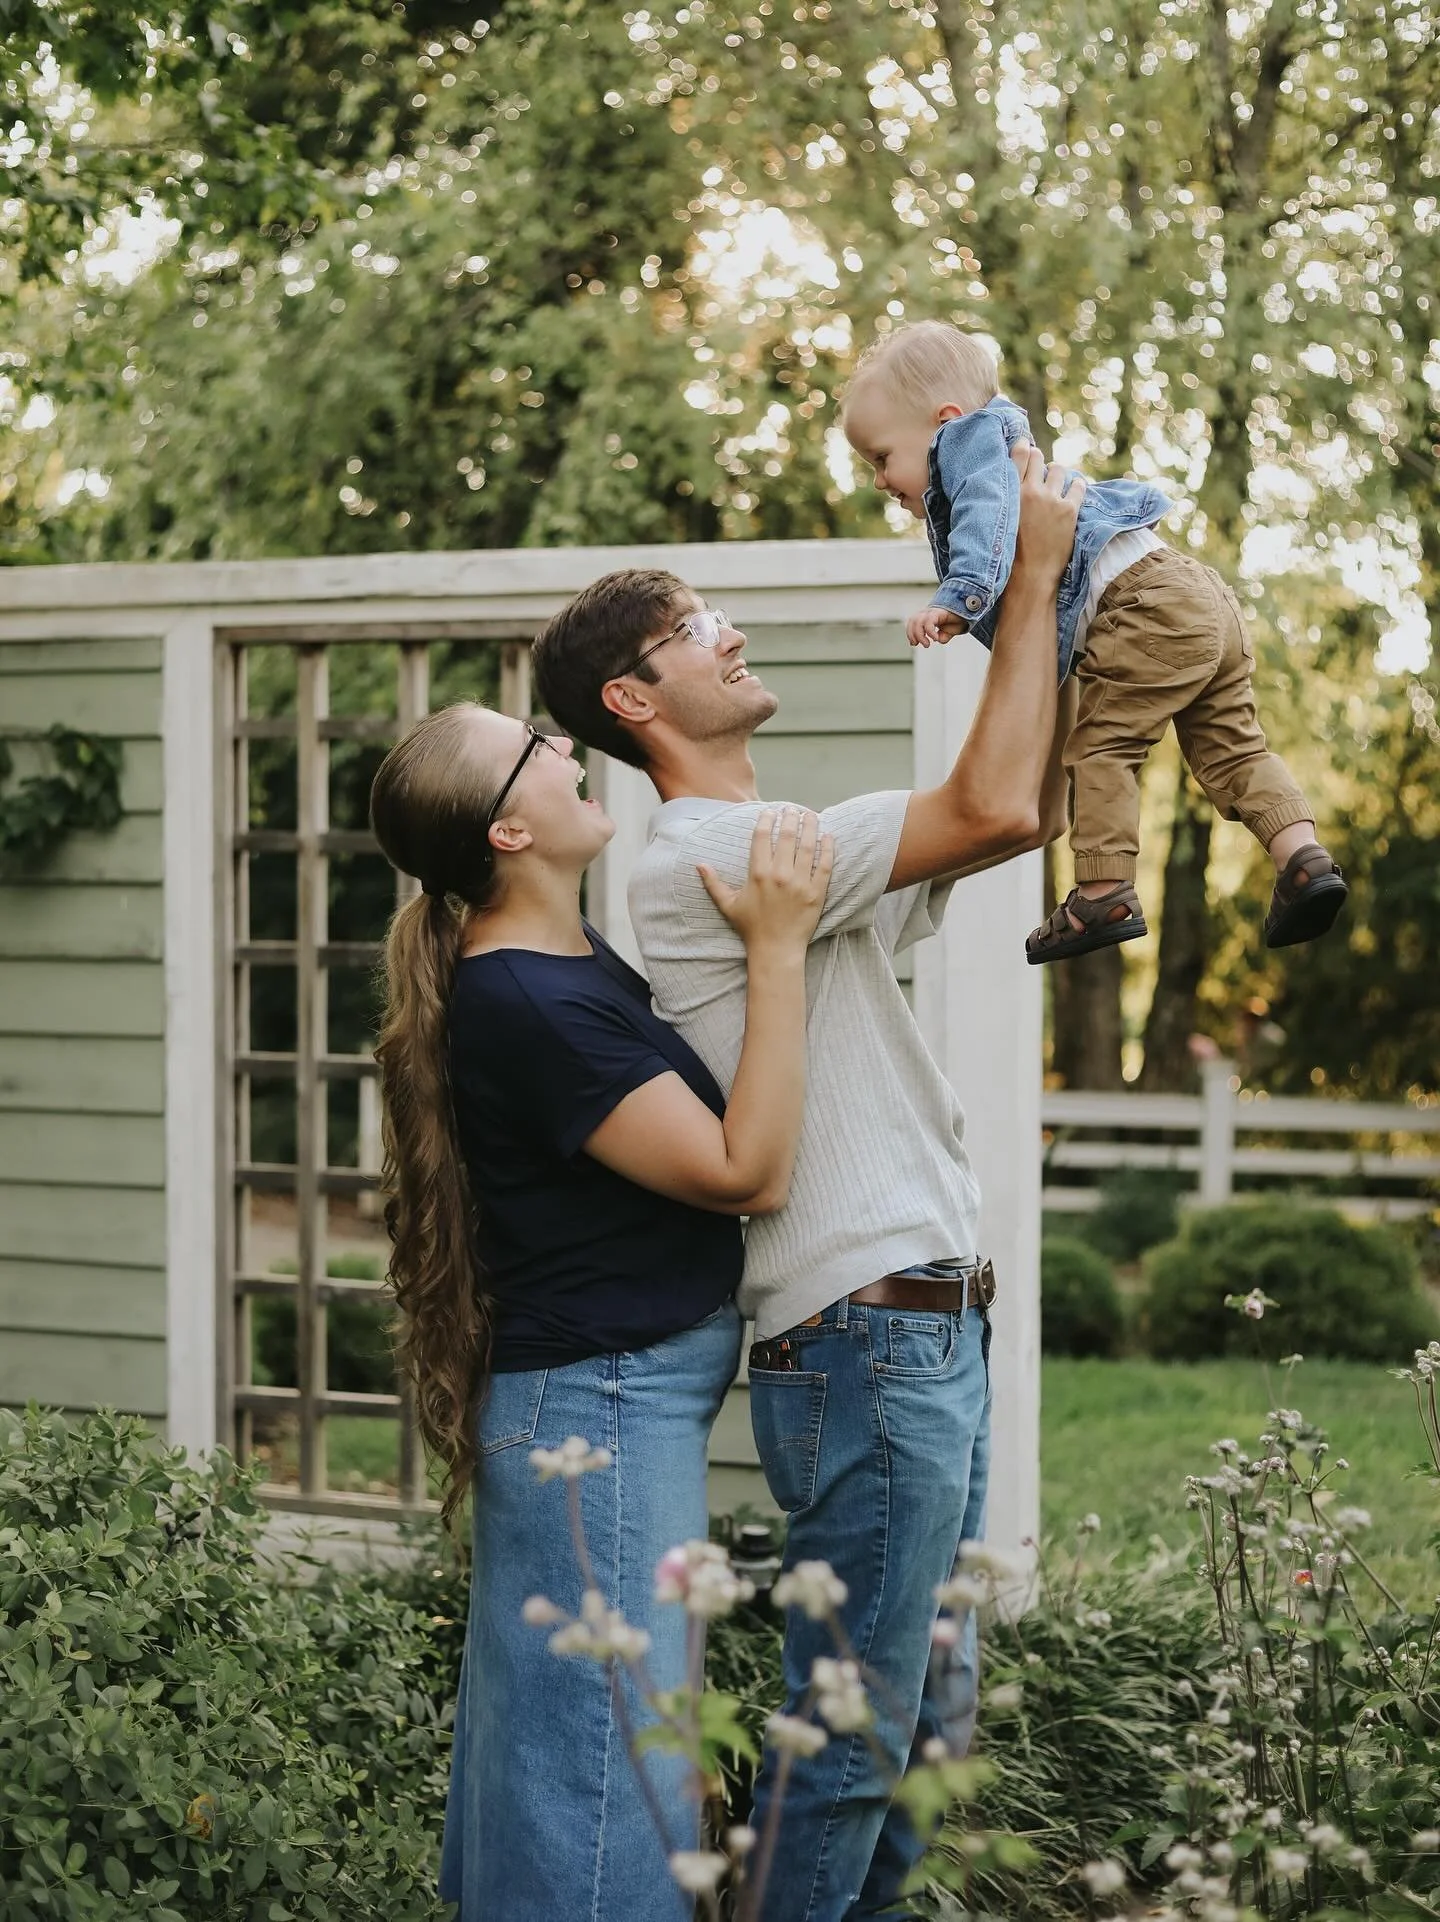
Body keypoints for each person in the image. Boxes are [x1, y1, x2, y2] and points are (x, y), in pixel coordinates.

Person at [531, 446, 1079, 1922]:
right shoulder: (712, 855)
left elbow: (1002, 799)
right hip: (868, 1332)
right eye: (695, 626)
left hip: (921, 1332)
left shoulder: (784, 859)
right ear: (635, 704)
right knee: (854, 1743)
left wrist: (1054, 595)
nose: (732, 632)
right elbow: (1003, 805)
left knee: (915, 1740)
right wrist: (1024, 574)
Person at [368, 700, 833, 1922]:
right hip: (600, 1412)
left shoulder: (560, 961)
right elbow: (748, 1170)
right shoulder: (528, 1000)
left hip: (605, 1404)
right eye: (537, 746)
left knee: (569, 1769)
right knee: (604, 1790)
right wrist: (779, 947)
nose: (568, 748)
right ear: (511, 826)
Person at [840, 318, 1348, 964]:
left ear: (944, 422)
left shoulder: (969, 447)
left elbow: (984, 527)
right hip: (1196, 594)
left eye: (882, 458)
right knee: (1234, 746)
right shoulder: (1010, 448)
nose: (881, 481)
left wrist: (959, 599)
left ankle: (1104, 890)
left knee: (1104, 746)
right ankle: (1302, 859)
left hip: (1140, 605)